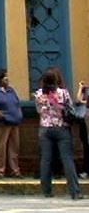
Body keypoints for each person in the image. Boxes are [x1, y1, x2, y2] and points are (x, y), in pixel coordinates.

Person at [35, 69, 83, 199]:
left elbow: (39, 110)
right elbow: (71, 109)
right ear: (56, 80)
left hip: (45, 128)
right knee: (67, 159)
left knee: (46, 159)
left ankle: (47, 190)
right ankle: (75, 191)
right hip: (62, 128)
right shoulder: (63, 93)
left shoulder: (39, 94)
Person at [75, 80, 89, 179]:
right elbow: (78, 100)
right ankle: (86, 170)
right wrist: (81, 88)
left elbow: (80, 101)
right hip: (85, 123)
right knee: (86, 148)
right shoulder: (86, 90)